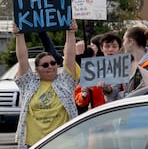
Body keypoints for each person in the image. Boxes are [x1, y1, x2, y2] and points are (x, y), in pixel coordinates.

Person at [12, 19, 80, 149]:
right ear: (37, 69)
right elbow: (22, 59)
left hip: (64, 144)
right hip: (35, 144)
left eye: (53, 63)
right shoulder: (29, 84)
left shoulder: (65, 82)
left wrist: (70, 33)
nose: (50, 66)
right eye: (45, 64)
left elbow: (70, 55)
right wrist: (19, 35)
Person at [74, 37, 106, 115]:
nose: (90, 48)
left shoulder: (107, 66)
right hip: (97, 113)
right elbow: (80, 100)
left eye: (92, 45)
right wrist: (83, 95)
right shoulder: (87, 69)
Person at [123, 26, 148, 94]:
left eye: (124, 40)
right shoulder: (124, 62)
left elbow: (139, 93)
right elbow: (115, 88)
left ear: (131, 42)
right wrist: (109, 90)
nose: (123, 44)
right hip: (123, 104)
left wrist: (119, 95)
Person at [99, 31, 124, 102]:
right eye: (107, 46)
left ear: (119, 48)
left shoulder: (123, 67)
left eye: (114, 46)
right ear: (101, 48)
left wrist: (108, 90)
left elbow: (116, 93)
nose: (110, 49)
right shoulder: (94, 68)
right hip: (96, 110)